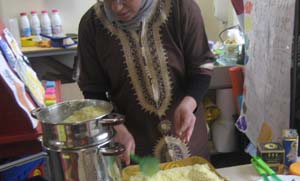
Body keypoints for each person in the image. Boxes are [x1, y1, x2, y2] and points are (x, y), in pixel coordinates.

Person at [77, 0, 214, 164]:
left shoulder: (181, 8)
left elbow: (201, 67)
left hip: (188, 142)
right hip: (136, 148)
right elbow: (93, 89)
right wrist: (114, 126)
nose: (116, 7)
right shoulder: (91, 25)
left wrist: (189, 104)